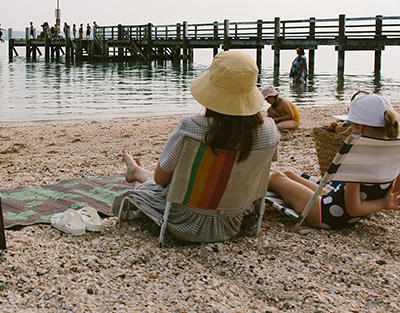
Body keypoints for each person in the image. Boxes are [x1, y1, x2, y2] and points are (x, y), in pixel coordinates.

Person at [114, 51, 281, 243]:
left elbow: (161, 179)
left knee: (149, 189)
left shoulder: (191, 128)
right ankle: (136, 171)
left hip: (184, 220)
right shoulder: (270, 131)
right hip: (235, 219)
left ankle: (136, 174)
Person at [268, 93, 400, 229]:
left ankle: (247, 195)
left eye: (351, 124)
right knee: (289, 174)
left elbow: (353, 208)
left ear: (360, 128)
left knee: (276, 177)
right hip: (337, 202)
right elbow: (391, 190)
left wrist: (383, 203)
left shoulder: (358, 159)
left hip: (325, 215)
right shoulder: (394, 153)